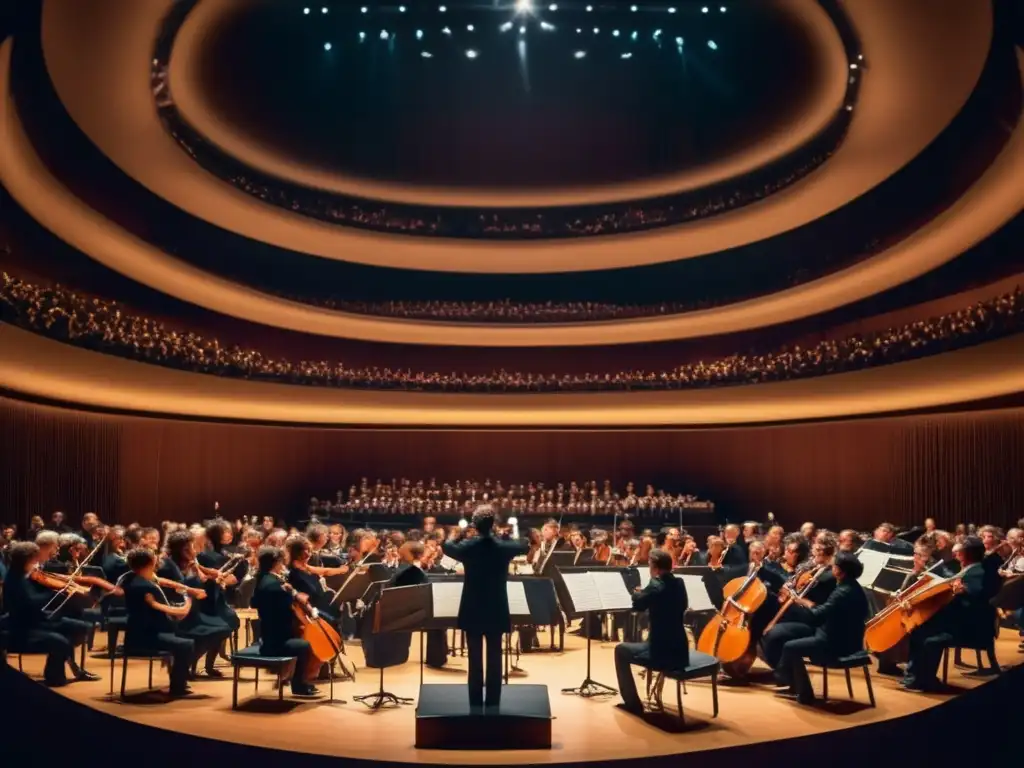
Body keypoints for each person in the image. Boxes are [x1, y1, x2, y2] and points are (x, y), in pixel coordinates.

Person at [441, 505, 528, 708]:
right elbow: (525, 545)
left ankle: (474, 702)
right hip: (496, 606)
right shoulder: (503, 547)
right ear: (493, 524)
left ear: (475, 525)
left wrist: (460, 533)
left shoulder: (468, 546)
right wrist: (504, 536)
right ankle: (493, 702)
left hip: (472, 606)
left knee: (474, 659)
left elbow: (446, 546)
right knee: (495, 657)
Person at [901, 536, 998, 692]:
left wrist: (961, 591)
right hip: (960, 622)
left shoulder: (977, 572)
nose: (955, 556)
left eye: (958, 553)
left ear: (966, 554)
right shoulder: (969, 570)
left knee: (927, 637)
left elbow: (976, 599)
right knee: (919, 630)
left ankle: (921, 680)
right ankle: (915, 678)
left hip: (969, 628)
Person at [614, 548, 703, 715]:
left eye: (649, 564)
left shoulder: (656, 585)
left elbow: (638, 604)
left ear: (655, 567)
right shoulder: (679, 583)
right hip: (680, 650)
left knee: (620, 650)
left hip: (660, 653)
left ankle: (632, 703)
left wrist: (636, 593)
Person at [774, 552, 868, 705]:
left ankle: (800, 691)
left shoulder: (841, 592)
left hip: (835, 644)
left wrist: (802, 603)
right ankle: (790, 682)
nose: (832, 568)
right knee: (795, 638)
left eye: (835, 566)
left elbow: (816, 616)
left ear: (840, 571)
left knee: (790, 647)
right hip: (853, 642)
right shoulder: (855, 588)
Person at [2, 542, 100, 686]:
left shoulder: (24, 575)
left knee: (80, 627)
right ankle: (55, 676)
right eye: (35, 559)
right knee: (60, 641)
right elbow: (29, 602)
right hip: (24, 626)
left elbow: (34, 600)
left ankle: (67, 666)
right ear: (27, 559)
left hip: (38, 619)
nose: (37, 562)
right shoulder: (14, 580)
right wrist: (53, 594)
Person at [121, 548, 194, 697]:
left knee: (183, 636)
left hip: (136, 633)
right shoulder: (145, 586)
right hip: (147, 636)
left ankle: (179, 681)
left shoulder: (132, 579)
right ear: (151, 562)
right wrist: (188, 601)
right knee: (187, 644)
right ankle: (178, 688)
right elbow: (172, 614)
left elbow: (158, 583)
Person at [250, 546, 319, 697]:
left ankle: (299, 680)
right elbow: (289, 609)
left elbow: (254, 602)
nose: (283, 565)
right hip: (275, 642)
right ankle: (299, 686)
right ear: (276, 563)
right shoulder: (274, 585)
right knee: (305, 644)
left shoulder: (264, 579)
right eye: (281, 562)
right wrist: (295, 596)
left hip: (268, 635)